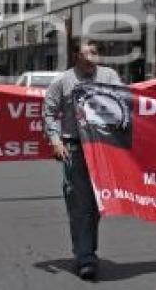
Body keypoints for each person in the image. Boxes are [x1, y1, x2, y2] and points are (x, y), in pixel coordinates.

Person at [43, 40, 122, 281]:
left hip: (103, 149)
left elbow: (128, 102)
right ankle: (86, 258)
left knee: (96, 206)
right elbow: (49, 112)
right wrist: (55, 140)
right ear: (76, 56)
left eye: (95, 53)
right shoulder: (62, 81)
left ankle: (86, 250)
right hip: (75, 149)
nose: (91, 59)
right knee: (80, 205)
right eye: (86, 54)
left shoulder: (110, 76)